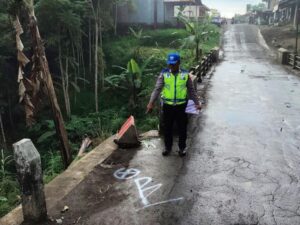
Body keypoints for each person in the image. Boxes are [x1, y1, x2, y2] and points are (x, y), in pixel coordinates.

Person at [146, 53, 201, 157]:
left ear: (179, 63)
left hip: (181, 106)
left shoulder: (185, 74)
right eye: (169, 64)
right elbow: (157, 89)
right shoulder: (164, 74)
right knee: (167, 128)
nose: (171, 66)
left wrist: (197, 103)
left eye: (173, 64)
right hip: (168, 106)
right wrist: (150, 103)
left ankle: (182, 148)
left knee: (182, 128)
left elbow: (191, 90)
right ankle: (168, 147)